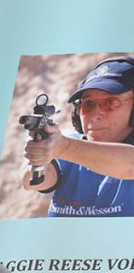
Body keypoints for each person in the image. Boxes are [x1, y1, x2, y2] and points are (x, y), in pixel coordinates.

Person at [22, 57, 134, 217]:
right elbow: (30, 182)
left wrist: (62, 148)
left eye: (111, 102)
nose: (95, 114)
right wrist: (39, 151)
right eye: (88, 104)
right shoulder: (71, 143)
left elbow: (130, 164)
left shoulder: (67, 147)